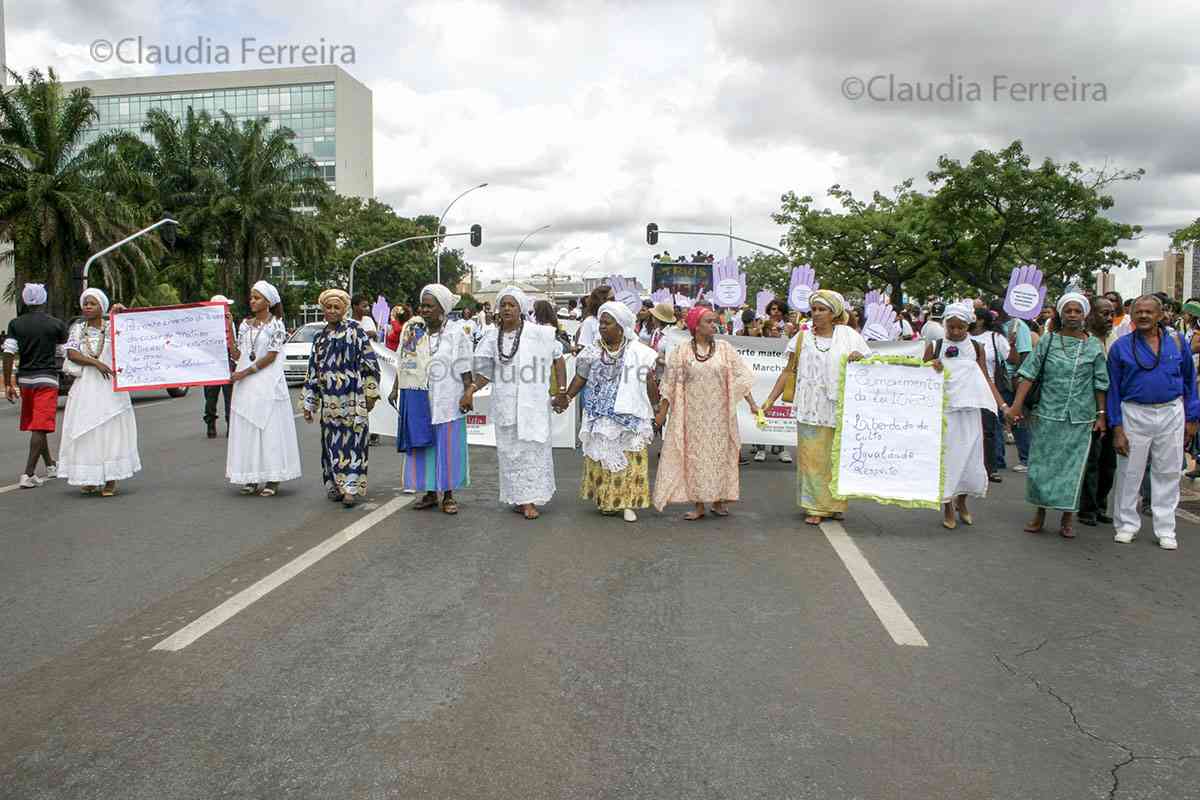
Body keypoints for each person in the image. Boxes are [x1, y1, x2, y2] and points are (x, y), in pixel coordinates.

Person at [1005, 293, 1108, 538]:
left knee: (1073, 469)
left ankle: (1067, 517)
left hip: (1080, 418)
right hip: (1047, 414)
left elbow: (1100, 382)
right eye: (1068, 310)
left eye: (1077, 311)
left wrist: (1101, 415)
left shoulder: (1094, 345)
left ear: (1085, 315)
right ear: (1061, 314)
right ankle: (1040, 512)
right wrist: (1016, 407)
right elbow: (1029, 374)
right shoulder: (1048, 341)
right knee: (1042, 466)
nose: (1072, 315)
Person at [763, 290, 869, 525]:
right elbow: (788, 371)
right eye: (814, 309)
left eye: (823, 309)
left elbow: (869, 367)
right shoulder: (802, 337)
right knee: (811, 459)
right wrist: (770, 400)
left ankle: (834, 506)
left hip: (839, 408)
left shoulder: (850, 337)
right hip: (810, 407)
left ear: (834, 313)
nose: (817, 313)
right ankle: (814, 507)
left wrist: (859, 358)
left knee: (835, 459)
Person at [1106, 294, 1200, 550]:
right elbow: (1113, 389)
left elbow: (1189, 382)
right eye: (1139, 312)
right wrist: (1117, 427)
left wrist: (1193, 417)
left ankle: (1165, 528)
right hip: (1134, 412)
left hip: (1171, 411)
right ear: (1133, 316)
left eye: (1149, 312)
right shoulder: (1120, 347)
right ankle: (1126, 524)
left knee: (1168, 470)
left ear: (1160, 315)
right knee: (1129, 471)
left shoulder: (1177, 342)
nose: (1144, 315)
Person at [553, 301, 659, 522]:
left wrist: (657, 409)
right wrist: (567, 397)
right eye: (600, 322)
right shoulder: (592, 351)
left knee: (630, 459)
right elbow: (580, 377)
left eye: (607, 323)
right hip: (599, 415)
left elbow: (649, 380)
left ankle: (628, 504)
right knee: (603, 458)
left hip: (629, 416)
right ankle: (608, 501)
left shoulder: (637, 351)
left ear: (620, 327)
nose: (601, 326)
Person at [654, 306, 762, 520]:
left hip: (720, 415)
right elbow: (669, 385)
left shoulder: (724, 349)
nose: (715, 325)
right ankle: (699, 504)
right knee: (696, 458)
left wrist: (752, 404)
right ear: (696, 326)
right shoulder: (682, 352)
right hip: (692, 416)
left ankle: (719, 500)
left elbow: (741, 377)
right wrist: (661, 415)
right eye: (709, 322)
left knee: (720, 457)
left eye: (715, 321)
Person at [472, 287, 567, 520]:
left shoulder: (539, 334)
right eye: (503, 305)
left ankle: (529, 500)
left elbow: (558, 358)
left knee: (532, 452)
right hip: (506, 405)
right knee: (511, 454)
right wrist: (471, 390)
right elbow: (485, 372)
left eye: (511, 305)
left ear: (520, 309)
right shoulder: (492, 337)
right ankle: (519, 497)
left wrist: (562, 391)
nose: (506, 309)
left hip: (533, 405)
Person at [390, 284, 474, 515]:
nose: (424, 310)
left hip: (448, 400)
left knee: (447, 448)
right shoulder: (413, 331)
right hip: (419, 400)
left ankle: (448, 495)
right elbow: (403, 361)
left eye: (429, 306)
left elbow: (465, 365)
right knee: (423, 446)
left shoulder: (456, 333)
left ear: (442, 309)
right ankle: (429, 493)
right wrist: (396, 388)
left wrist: (468, 392)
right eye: (422, 306)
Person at [925, 302, 1007, 529]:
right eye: (951, 327)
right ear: (945, 325)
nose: (955, 331)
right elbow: (920, 377)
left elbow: (986, 378)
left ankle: (962, 501)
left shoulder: (977, 347)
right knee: (948, 458)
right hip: (945, 413)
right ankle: (948, 506)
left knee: (970, 457)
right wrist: (931, 367)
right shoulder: (936, 346)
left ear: (968, 326)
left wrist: (1003, 405)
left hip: (970, 412)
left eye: (960, 327)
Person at [301, 289, 381, 508]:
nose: (332, 311)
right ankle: (336, 486)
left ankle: (351, 490)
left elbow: (370, 363)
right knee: (332, 445)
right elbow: (313, 372)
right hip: (329, 402)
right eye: (328, 307)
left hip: (353, 397)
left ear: (344, 309)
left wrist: (371, 393)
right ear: (323, 310)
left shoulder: (355, 332)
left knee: (354, 444)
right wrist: (309, 403)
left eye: (337, 307)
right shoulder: (319, 338)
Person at [57, 288, 140, 496]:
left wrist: (122, 313)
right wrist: (96, 363)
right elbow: (72, 354)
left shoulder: (112, 327)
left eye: (92, 304)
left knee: (110, 431)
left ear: (101, 307)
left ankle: (111, 479)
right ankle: (90, 478)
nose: (87, 307)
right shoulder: (78, 329)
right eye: (85, 303)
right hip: (86, 387)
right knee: (88, 431)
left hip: (110, 388)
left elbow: (132, 336)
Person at [226, 281, 302, 497]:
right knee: (248, 430)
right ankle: (251, 477)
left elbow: (271, 356)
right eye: (251, 297)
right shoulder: (244, 325)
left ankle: (273, 478)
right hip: (246, 385)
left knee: (270, 431)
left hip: (268, 382)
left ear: (268, 302)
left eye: (257, 298)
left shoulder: (276, 325)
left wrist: (245, 372)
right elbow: (238, 354)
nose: (252, 301)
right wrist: (229, 331)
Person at [2, 283, 68, 487]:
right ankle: (28, 474)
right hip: (47, 379)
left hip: (25, 381)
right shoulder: (56, 325)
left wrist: (8, 384)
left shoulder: (15, 324)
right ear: (44, 300)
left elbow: (8, 353)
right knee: (40, 427)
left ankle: (50, 465)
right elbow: (64, 352)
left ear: (24, 300)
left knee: (37, 426)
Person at [1079, 297, 1119, 525]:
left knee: (1109, 463)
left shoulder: (1117, 340)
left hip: (1113, 409)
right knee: (1091, 460)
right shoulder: (1084, 342)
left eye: (1112, 313)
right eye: (1104, 313)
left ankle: (1101, 505)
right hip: (1090, 409)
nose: (1109, 318)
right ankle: (1087, 508)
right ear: (1091, 315)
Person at [990, 298, 1034, 472]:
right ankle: (997, 459)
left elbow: (1025, 354)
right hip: (999, 379)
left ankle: (1026, 458)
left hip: (1012, 380)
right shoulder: (997, 327)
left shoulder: (1018, 326)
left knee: (1016, 418)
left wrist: (1019, 378)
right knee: (997, 419)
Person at [970, 308, 1011, 482]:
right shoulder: (959, 340)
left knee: (988, 430)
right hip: (963, 391)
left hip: (987, 389)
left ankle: (991, 467)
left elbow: (1011, 359)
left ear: (982, 320)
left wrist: (1003, 405)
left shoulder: (994, 338)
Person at [203, 295, 236, 438]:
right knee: (211, 397)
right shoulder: (207, 324)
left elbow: (234, 343)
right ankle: (211, 424)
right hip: (213, 361)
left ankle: (228, 425)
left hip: (225, 360)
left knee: (228, 396)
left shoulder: (229, 321)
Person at [575, 286, 613, 352]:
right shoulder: (589, 322)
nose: (614, 302)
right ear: (601, 301)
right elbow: (584, 349)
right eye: (611, 299)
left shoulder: (618, 319)